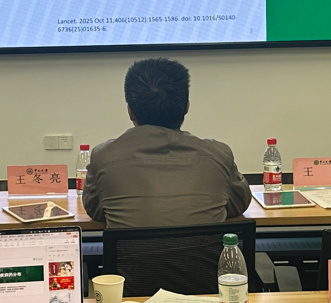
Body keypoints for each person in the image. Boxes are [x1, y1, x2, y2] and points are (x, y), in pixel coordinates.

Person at [82, 58, 251, 228]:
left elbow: (96, 211)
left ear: (130, 111)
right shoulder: (219, 155)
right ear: (186, 107)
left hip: (133, 247)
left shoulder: (103, 157)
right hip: (204, 247)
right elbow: (238, 205)